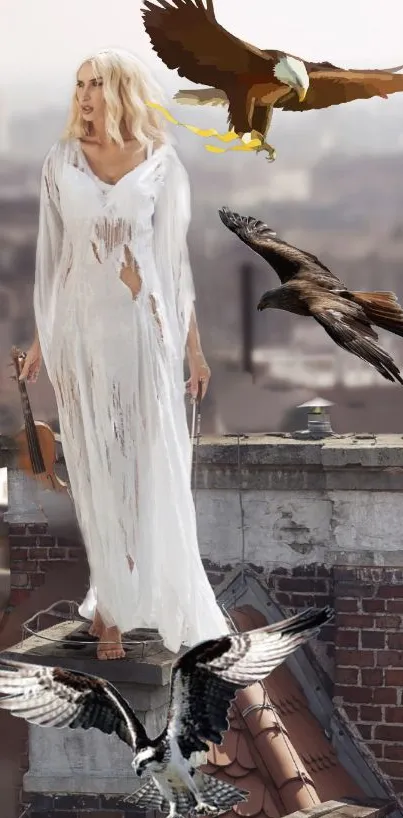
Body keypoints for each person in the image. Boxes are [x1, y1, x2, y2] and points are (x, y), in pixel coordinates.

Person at [19, 48, 229, 660]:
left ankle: (139, 596)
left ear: (121, 91)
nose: (84, 95)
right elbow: (57, 260)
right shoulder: (60, 162)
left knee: (143, 467)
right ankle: (109, 606)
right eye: (78, 83)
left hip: (145, 333)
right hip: (84, 337)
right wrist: (41, 342)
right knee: (92, 469)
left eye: (97, 84)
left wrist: (196, 354)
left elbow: (174, 268)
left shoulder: (162, 164)